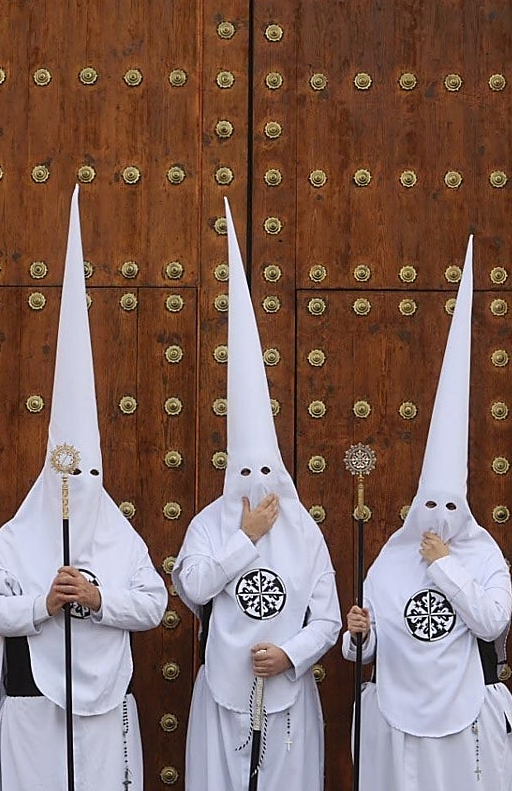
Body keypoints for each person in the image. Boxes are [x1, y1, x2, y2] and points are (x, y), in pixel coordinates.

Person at [0, 186, 168, 791]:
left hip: (103, 699)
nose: (74, 491)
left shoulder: (118, 535)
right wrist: (42, 604)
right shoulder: (18, 534)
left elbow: (154, 603)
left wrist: (97, 593)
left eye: (85, 480)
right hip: (33, 699)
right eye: (65, 478)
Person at [172, 199, 340, 791]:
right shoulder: (208, 524)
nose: (256, 483)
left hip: (287, 695)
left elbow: (327, 617)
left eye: (266, 470)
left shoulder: (306, 533)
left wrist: (290, 654)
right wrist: (245, 540)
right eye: (245, 471)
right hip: (222, 690)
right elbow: (192, 587)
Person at [342, 237, 512, 790]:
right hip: (398, 723)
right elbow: (363, 651)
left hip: (465, 718)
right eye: (430, 506)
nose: (438, 516)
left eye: (450, 506)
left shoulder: (482, 555)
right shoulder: (388, 564)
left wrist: (444, 565)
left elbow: (492, 620)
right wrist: (359, 635)